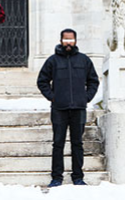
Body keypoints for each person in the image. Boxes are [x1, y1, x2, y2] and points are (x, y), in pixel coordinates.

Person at [37, 28, 99, 187]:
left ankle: (78, 177)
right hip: (59, 109)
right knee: (58, 143)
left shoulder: (84, 60)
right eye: (66, 39)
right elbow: (42, 81)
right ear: (61, 41)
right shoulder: (52, 61)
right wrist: (52, 97)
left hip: (79, 108)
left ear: (75, 41)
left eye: (71, 39)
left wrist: (86, 97)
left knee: (77, 143)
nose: (68, 42)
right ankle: (56, 177)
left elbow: (93, 81)